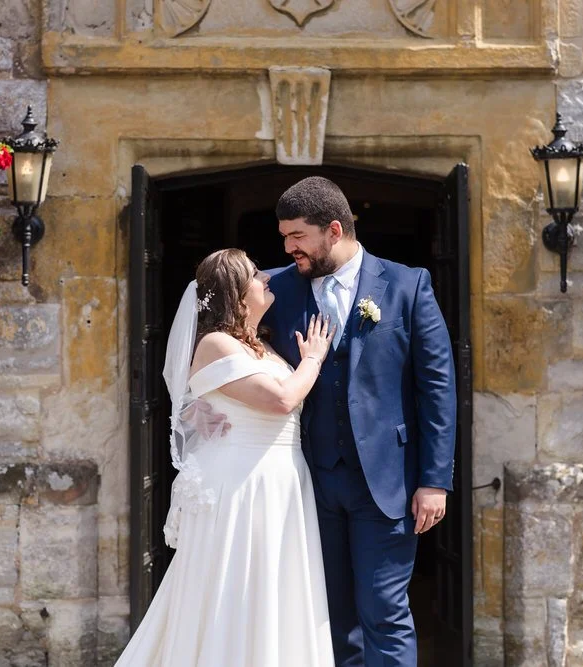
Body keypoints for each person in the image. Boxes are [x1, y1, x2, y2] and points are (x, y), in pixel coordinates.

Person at [262, 176, 457, 667]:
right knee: (327, 616)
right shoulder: (273, 289)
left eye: (296, 237)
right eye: (284, 237)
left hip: (386, 483)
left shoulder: (408, 285)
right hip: (309, 482)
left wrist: (434, 481)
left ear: (333, 230)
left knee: (385, 613)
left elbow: (436, 389)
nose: (288, 249)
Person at [114, 248, 336, 666]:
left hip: (281, 481)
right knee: (237, 590)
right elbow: (283, 399)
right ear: (235, 296)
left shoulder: (261, 347)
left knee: (276, 589)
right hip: (243, 487)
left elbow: (208, 409)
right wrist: (312, 359)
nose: (267, 278)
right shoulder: (215, 344)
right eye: (255, 274)